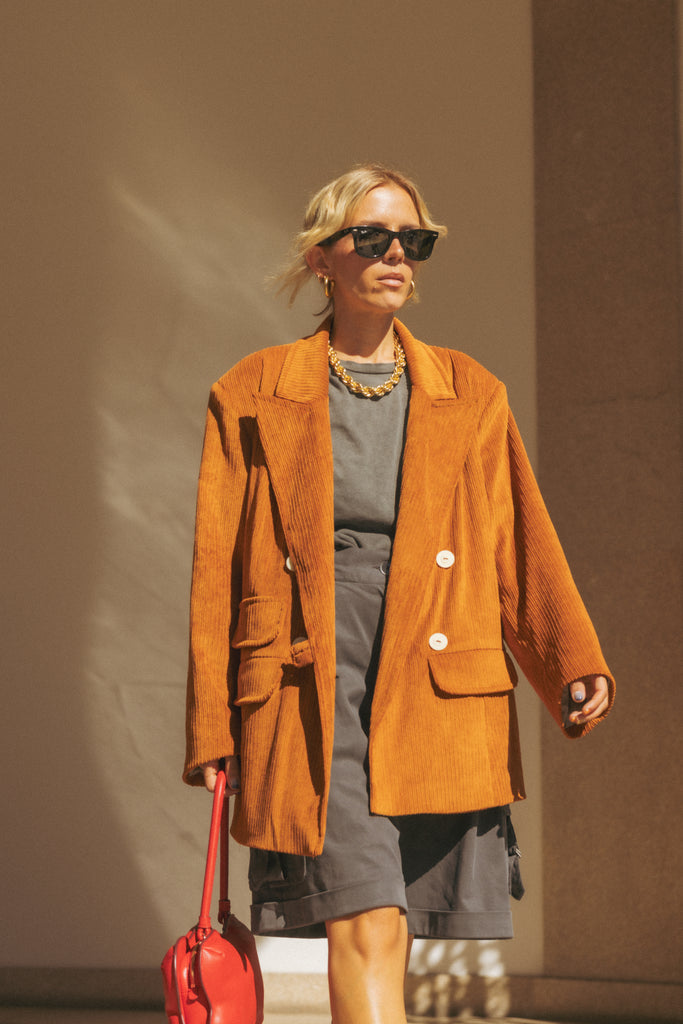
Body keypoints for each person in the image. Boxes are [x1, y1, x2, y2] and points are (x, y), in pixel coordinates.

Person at [183, 164, 614, 1024]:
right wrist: (212, 725)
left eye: (413, 240)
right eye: (371, 237)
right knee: (366, 914)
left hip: (437, 664)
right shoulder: (251, 390)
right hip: (310, 670)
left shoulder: (470, 390)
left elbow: (516, 535)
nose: (395, 255)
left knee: (396, 924)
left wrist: (569, 655)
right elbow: (216, 569)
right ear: (321, 258)